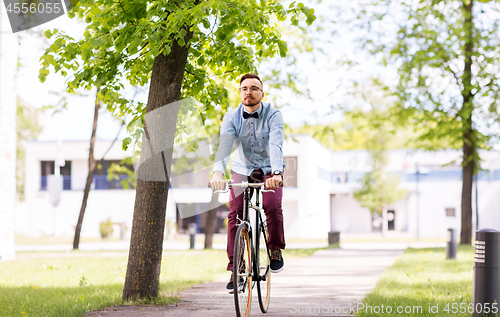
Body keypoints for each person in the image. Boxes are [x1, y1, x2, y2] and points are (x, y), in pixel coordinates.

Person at [209, 73, 286, 293]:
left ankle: (275, 250)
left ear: (262, 93)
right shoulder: (231, 116)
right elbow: (225, 146)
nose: (248, 92)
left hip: (270, 169)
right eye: (244, 88)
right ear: (240, 92)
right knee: (235, 216)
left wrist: (277, 174)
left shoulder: (274, 114)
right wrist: (217, 173)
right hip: (242, 169)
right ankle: (237, 269)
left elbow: (276, 144)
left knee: (272, 206)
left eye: (254, 88)